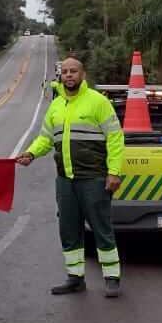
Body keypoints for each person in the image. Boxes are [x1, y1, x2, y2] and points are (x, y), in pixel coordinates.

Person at [16, 57, 126, 297]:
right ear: (60, 76)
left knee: (101, 227)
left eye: (73, 71)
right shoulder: (56, 106)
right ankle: (75, 278)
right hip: (65, 180)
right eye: (64, 71)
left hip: (94, 178)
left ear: (82, 75)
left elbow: (116, 138)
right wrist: (31, 153)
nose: (68, 75)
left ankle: (112, 278)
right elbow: (46, 138)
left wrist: (114, 172)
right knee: (69, 229)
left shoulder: (98, 102)